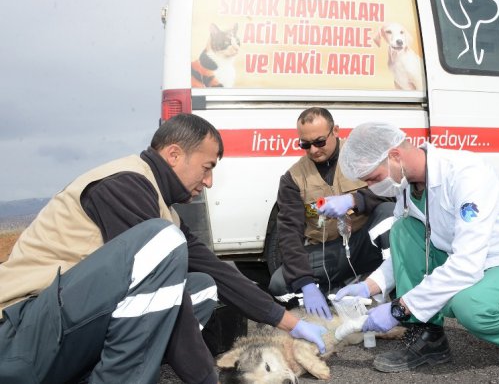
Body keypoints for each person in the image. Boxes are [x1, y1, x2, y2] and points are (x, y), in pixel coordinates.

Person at [0, 114, 328, 384]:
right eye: (207, 166)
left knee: (203, 285)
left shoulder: (159, 206)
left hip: (62, 335)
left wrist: (290, 323)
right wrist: (204, 378)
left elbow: (215, 269)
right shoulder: (123, 186)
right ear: (174, 155)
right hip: (22, 334)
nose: (209, 181)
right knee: (166, 244)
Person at [335, 122, 499, 372]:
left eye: (373, 178)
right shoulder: (407, 186)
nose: (371, 187)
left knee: (469, 305)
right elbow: (409, 250)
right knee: (402, 229)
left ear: (394, 156)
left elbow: (467, 264)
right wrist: (369, 286)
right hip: (469, 258)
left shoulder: (466, 174)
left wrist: (400, 308)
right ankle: (428, 337)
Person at [268, 107, 395, 320]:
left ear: (335, 131)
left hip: (365, 244)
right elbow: (289, 235)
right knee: (280, 284)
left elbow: (391, 191)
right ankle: (334, 295)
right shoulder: (292, 179)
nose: (313, 150)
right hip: (329, 251)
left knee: (390, 215)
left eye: (319, 142)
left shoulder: (360, 157)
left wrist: (354, 199)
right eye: (305, 144)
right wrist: (306, 283)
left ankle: (398, 298)